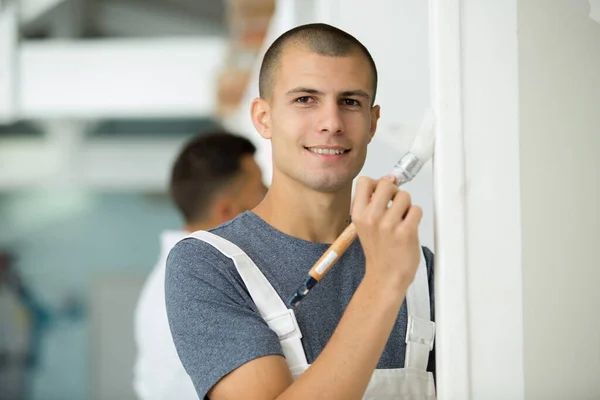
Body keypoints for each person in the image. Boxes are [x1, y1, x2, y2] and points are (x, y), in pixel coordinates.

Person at [165, 23, 436, 399]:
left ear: (373, 124)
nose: (331, 123)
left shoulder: (421, 270)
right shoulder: (208, 266)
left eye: (350, 102)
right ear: (263, 118)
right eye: (305, 99)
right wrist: (383, 281)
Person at [132, 130, 267, 400]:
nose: (272, 198)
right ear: (227, 212)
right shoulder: (198, 287)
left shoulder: (178, 278)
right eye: (262, 189)